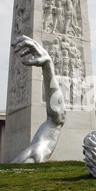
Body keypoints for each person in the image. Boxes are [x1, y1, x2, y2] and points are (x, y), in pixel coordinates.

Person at [11, 35, 66, 163]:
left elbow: (57, 119)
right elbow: (57, 120)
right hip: (39, 149)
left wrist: (48, 66)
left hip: (37, 149)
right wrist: (48, 66)